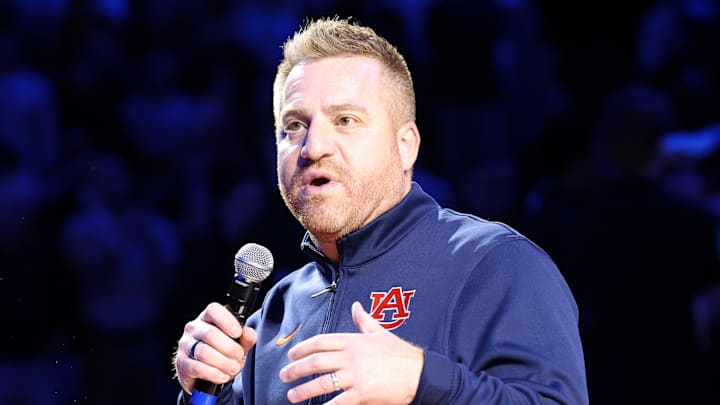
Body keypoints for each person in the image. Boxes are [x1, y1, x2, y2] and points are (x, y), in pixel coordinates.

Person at [173, 16, 588, 404]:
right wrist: (208, 390)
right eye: (294, 126)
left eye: (346, 120)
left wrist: (423, 380)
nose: (313, 147)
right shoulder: (277, 310)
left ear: (406, 145)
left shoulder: (495, 264)